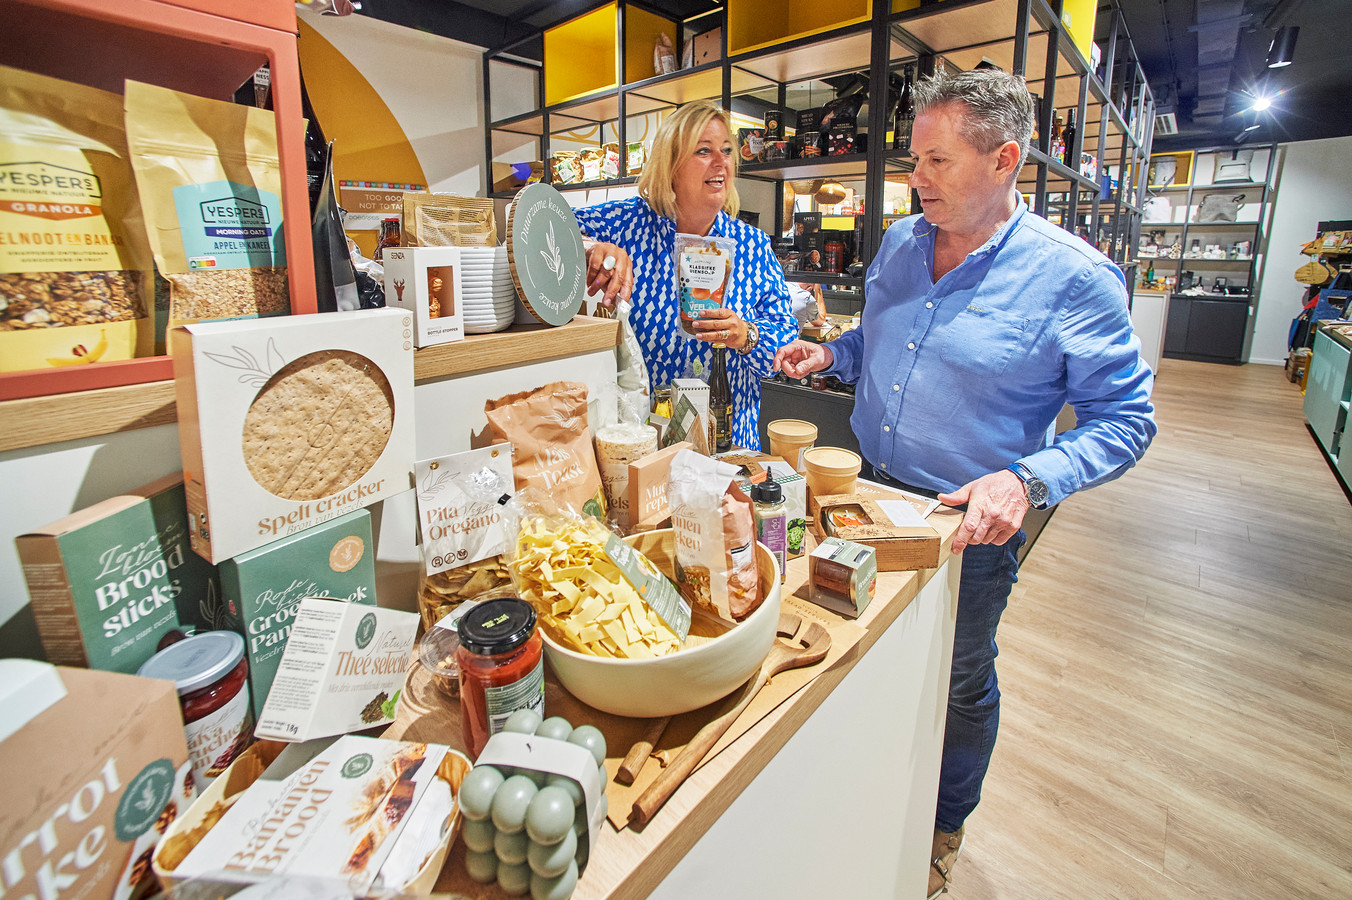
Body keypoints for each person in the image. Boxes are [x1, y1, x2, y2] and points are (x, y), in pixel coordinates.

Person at [773, 70, 1156, 898]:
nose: (916, 179)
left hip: (966, 525)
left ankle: (942, 824)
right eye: (915, 159)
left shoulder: (1075, 279)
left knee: (958, 673)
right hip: (864, 490)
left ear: (1004, 161)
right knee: (853, 637)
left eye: (937, 161)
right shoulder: (906, 243)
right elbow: (878, 346)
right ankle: (873, 786)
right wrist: (832, 357)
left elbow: (1127, 419)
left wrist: (1028, 480)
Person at [574, 100, 798, 450]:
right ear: (671, 164)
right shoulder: (628, 224)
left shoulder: (750, 245)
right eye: (704, 151)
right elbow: (550, 224)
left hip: (727, 446)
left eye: (726, 150)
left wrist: (745, 335)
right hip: (642, 442)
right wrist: (593, 247)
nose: (721, 161)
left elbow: (784, 342)